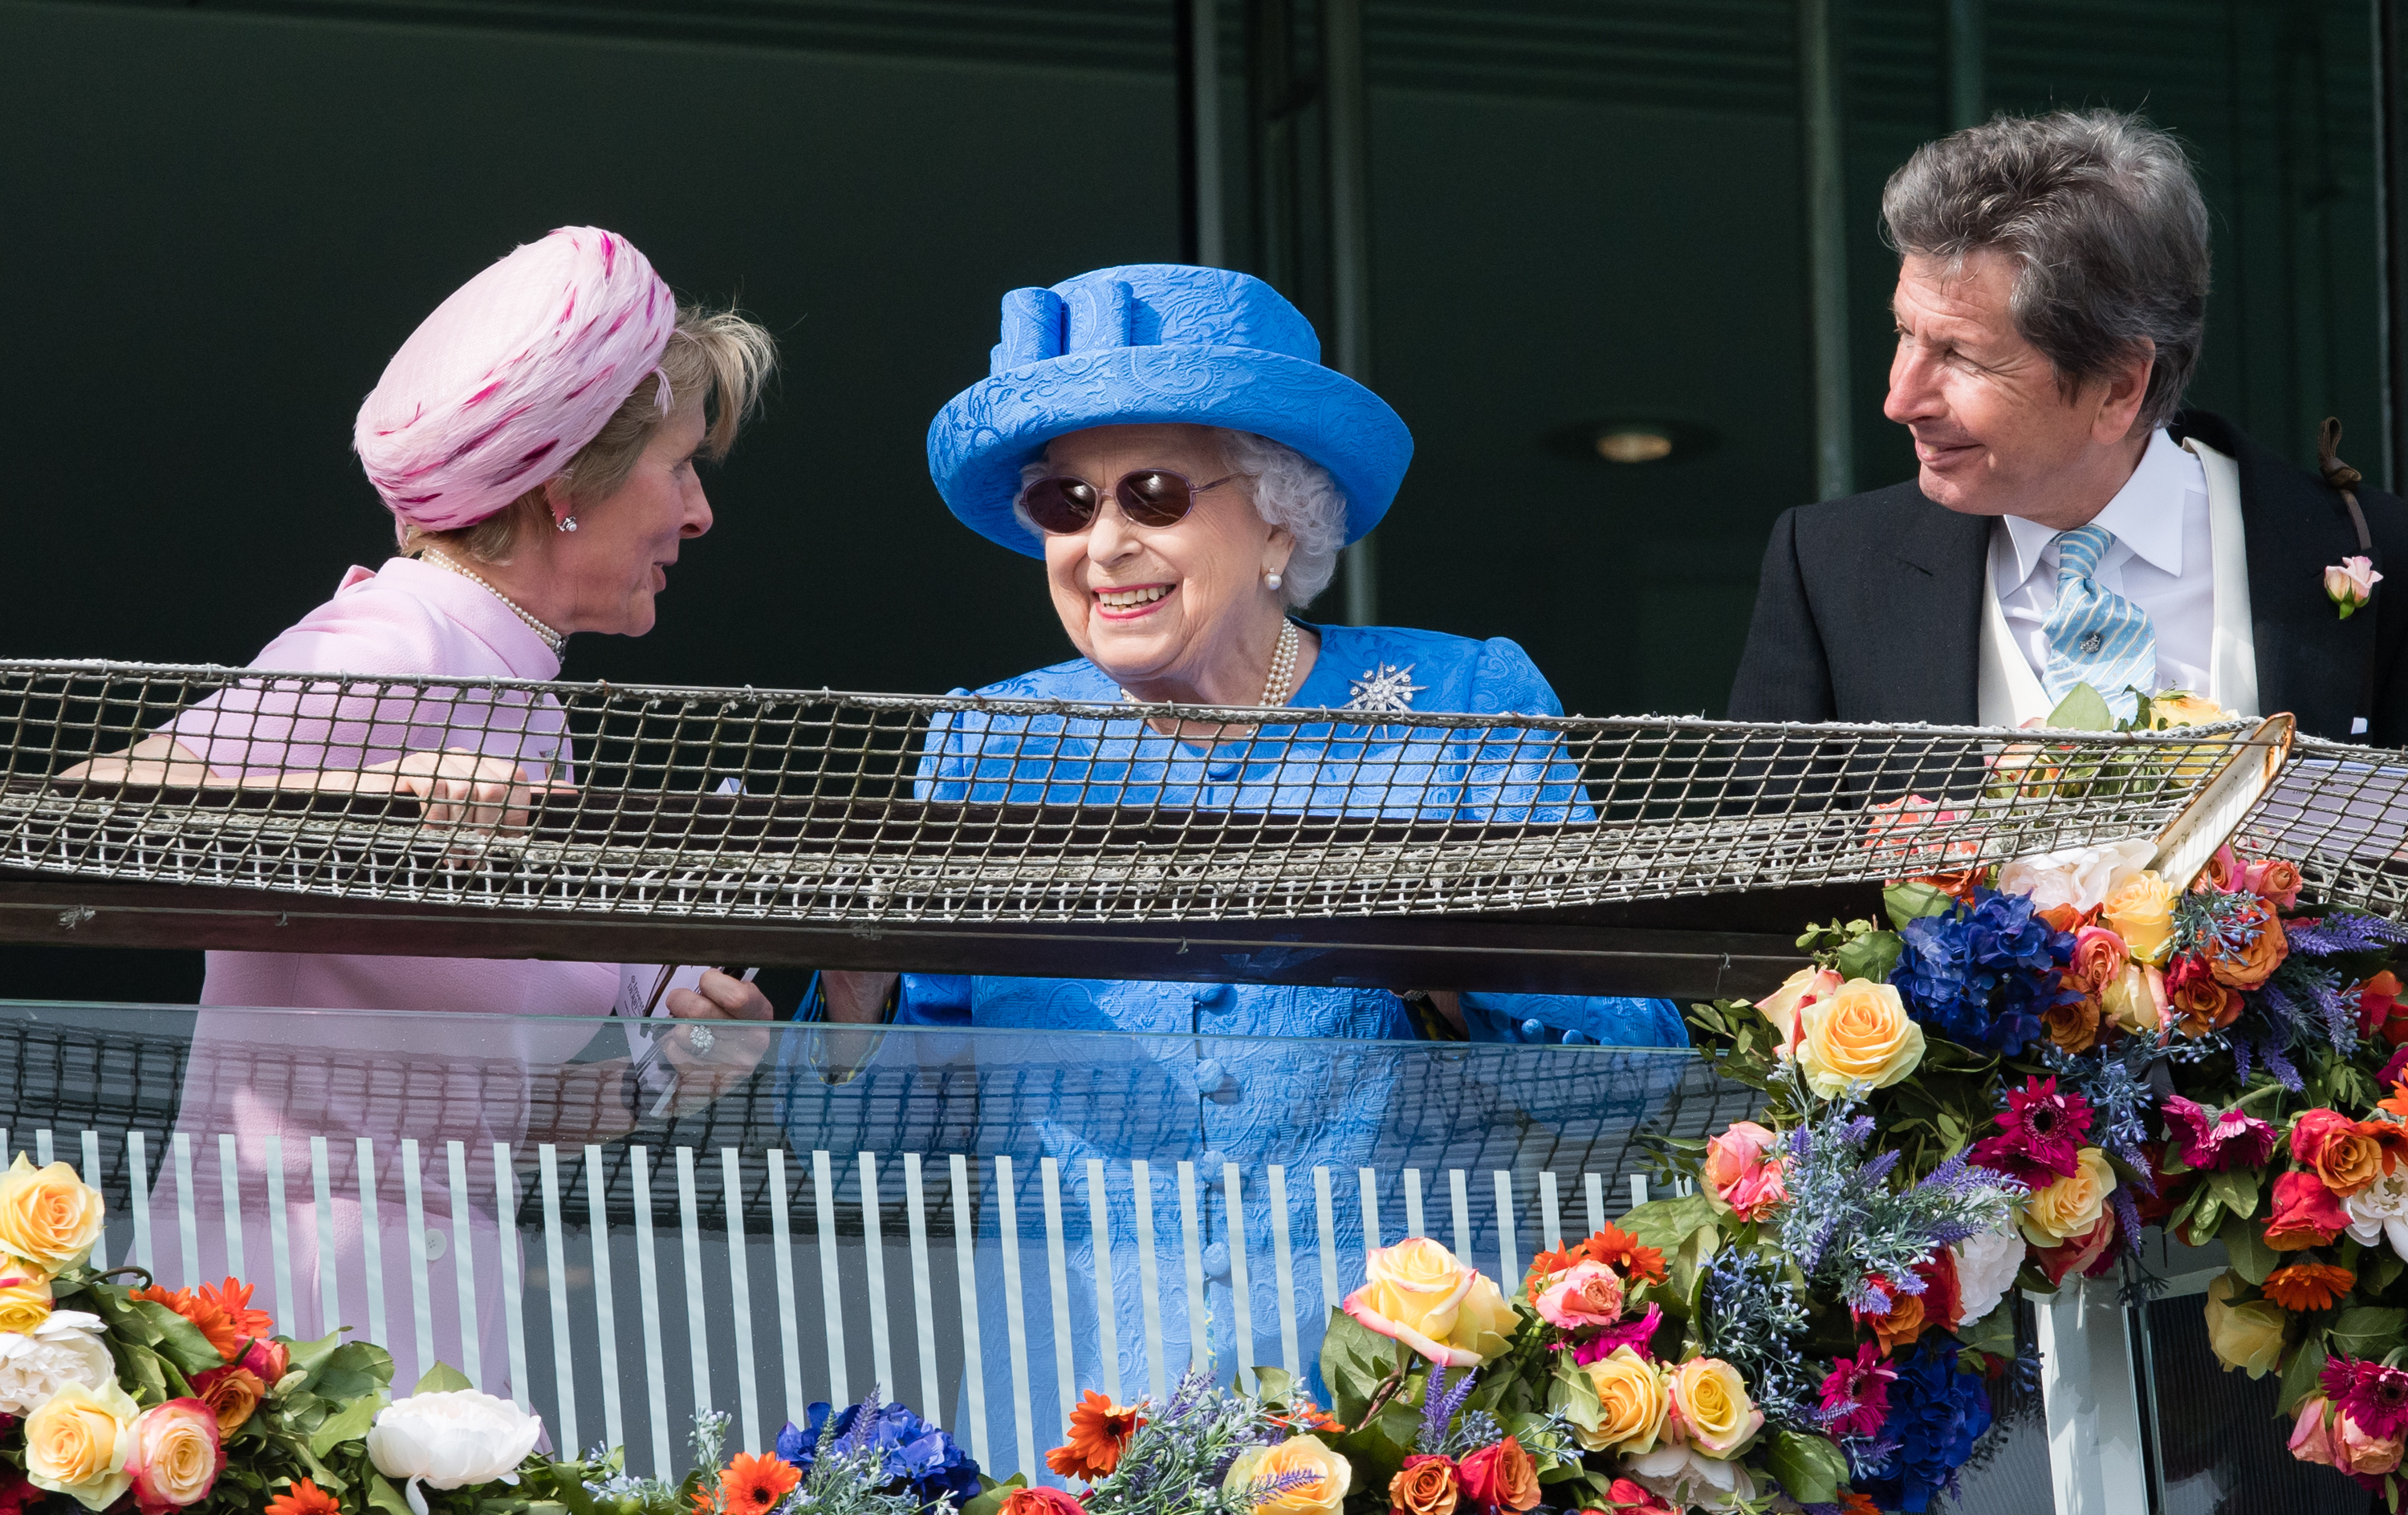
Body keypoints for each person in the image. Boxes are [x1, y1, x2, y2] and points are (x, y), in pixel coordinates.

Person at [798, 262, 1687, 1470]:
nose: (1104, 544)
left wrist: (1457, 965)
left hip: (1393, 1434)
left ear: (1279, 516)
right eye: (1064, 505)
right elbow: (887, 1175)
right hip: (1073, 1431)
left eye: (1152, 495)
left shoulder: (1461, 705)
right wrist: (855, 1000)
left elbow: (1634, 1077)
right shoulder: (988, 743)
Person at [74, 227, 779, 1393]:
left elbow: (496, 1112)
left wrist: (669, 1065)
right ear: (566, 487)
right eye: (680, 465)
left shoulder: (523, 700)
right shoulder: (393, 642)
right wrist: (388, 800)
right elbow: (76, 819)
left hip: (430, 1351)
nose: (698, 513)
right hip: (269, 1352)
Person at [1728, 109, 2408, 742]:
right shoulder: (1827, 571)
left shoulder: (2384, 555)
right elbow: (1777, 873)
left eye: (1962, 355)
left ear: (2118, 387)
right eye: (1904, 332)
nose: (1900, 401)